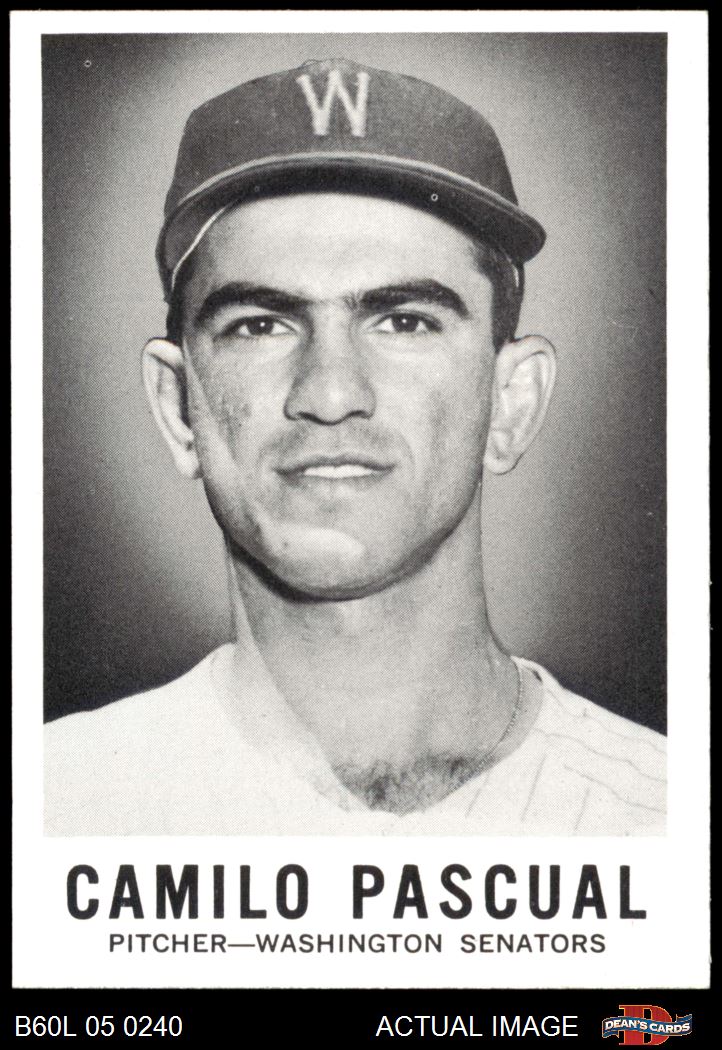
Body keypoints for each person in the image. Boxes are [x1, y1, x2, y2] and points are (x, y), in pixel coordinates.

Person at [45, 58, 665, 836]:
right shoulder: (56, 807)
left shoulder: (667, 820)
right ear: (178, 407)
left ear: (512, 401)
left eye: (405, 321)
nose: (331, 393)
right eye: (260, 325)